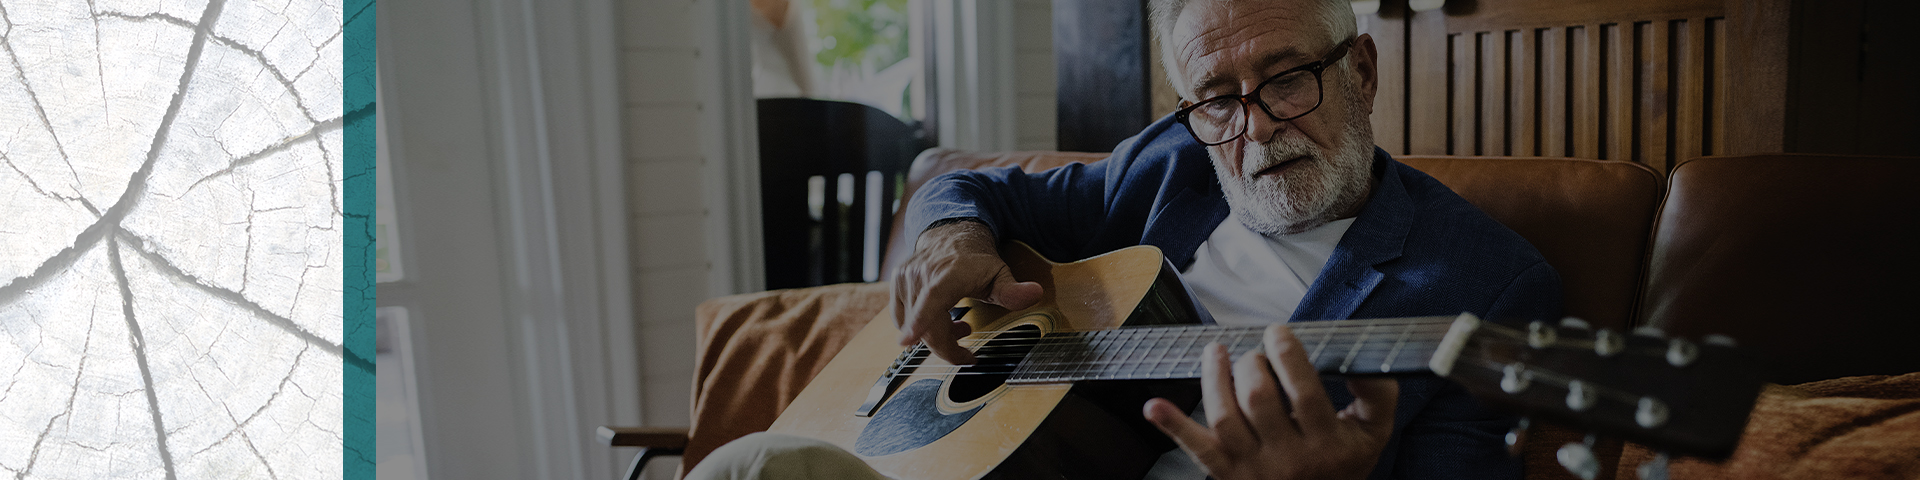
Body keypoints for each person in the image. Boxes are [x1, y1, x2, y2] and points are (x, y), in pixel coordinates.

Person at [689, 0, 1560, 478]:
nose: (1254, 131)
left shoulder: (1486, 284)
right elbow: (970, 186)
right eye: (1218, 97)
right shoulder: (1170, 162)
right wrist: (948, 235)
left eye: (1287, 78)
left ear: (1361, 72)